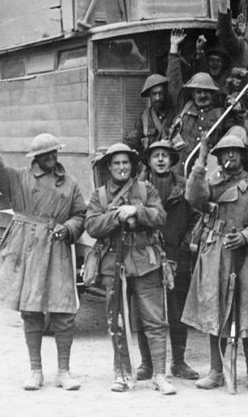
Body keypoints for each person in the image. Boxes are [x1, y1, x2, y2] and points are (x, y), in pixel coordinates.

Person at [0, 108, 86, 391]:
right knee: (31, 311)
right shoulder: (20, 179)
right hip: (29, 250)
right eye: (46, 155)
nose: (51, 159)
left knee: (64, 311)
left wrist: (70, 228)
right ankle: (35, 371)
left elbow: (81, 215)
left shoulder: (71, 184)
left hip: (58, 249)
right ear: (35, 158)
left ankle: (64, 371)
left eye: (54, 153)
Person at [182, 135, 248, 392]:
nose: (230, 157)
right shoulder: (210, 184)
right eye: (225, 153)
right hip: (216, 251)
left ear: (242, 156)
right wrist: (200, 160)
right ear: (220, 158)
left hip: (247, 254)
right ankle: (216, 371)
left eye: (235, 152)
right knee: (215, 310)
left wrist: (246, 236)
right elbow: (193, 199)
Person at [85, 143, 175, 395]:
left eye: (126, 163)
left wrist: (136, 210)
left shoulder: (146, 189)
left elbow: (160, 217)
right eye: (116, 163)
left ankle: (159, 374)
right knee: (117, 321)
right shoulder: (100, 196)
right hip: (114, 265)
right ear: (109, 167)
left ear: (132, 165)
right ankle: (122, 373)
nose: (122, 167)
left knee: (156, 321)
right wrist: (117, 216)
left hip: (146, 264)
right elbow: (91, 225)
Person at [137, 140, 199, 381]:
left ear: (172, 161)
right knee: (147, 310)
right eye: (156, 156)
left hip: (177, 256)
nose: (161, 160)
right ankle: (147, 364)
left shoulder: (183, 187)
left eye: (165, 156)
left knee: (177, 311)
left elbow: (196, 218)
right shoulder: (139, 188)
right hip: (147, 255)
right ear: (149, 161)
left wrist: (184, 246)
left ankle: (179, 362)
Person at [125, 74, 175, 153]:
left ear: (165, 93)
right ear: (149, 96)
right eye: (154, 94)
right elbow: (132, 140)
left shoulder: (175, 114)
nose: (157, 98)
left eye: (160, 93)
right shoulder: (143, 117)